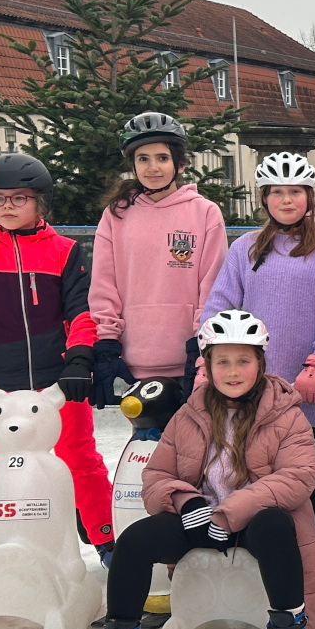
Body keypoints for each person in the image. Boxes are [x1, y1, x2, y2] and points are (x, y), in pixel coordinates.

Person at [72, 310, 315, 629]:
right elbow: (156, 475)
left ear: (260, 363)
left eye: (243, 360)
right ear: (208, 365)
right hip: (201, 521)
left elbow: (298, 477)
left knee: (275, 524)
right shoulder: (188, 414)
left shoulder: (287, 415)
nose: (233, 371)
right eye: (223, 361)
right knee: (135, 539)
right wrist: (188, 501)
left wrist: (230, 511)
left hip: (255, 524)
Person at [0, 154, 113, 562]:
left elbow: (81, 313)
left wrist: (79, 360)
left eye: (19, 198)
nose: (8, 206)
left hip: (58, 384)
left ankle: (108, 540)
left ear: (41, 203)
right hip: (1, 388)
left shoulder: (64, 251)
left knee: (80, 458)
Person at [202, 153, 315, 553]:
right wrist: (208, 358)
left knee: (309, 461)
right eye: (277, 192)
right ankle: (262, 539)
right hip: (252, 381)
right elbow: (220, 304)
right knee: (254, 460)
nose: (286, 200)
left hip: (306, 380)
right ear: (264, 198)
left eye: (295, 192)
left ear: (309, 197)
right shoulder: (245, 249)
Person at [88, 112, 226, 408]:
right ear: (133, 164)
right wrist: (107, 342)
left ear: (180, 164)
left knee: (194, 437)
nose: (152, 167)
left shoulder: (205, 213)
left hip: (192, 360)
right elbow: (103, 284)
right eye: (143, 159)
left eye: (162, 158)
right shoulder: (116, 215)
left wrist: (202, 343)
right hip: (136, 360)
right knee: (146, 436)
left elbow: (212, 284)